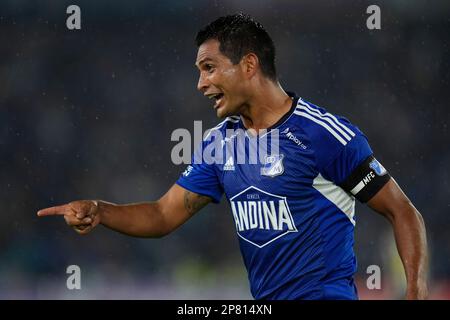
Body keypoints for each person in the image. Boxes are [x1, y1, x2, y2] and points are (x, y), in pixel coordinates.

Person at [37, 13, 428, 300]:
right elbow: (161, 215)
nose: (200, 83)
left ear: (249, 65)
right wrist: (101, 211)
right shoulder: (219, 143)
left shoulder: (324, 135)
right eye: (198, 71)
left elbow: (402, 211)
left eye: (209, 68)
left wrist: (415, 290)